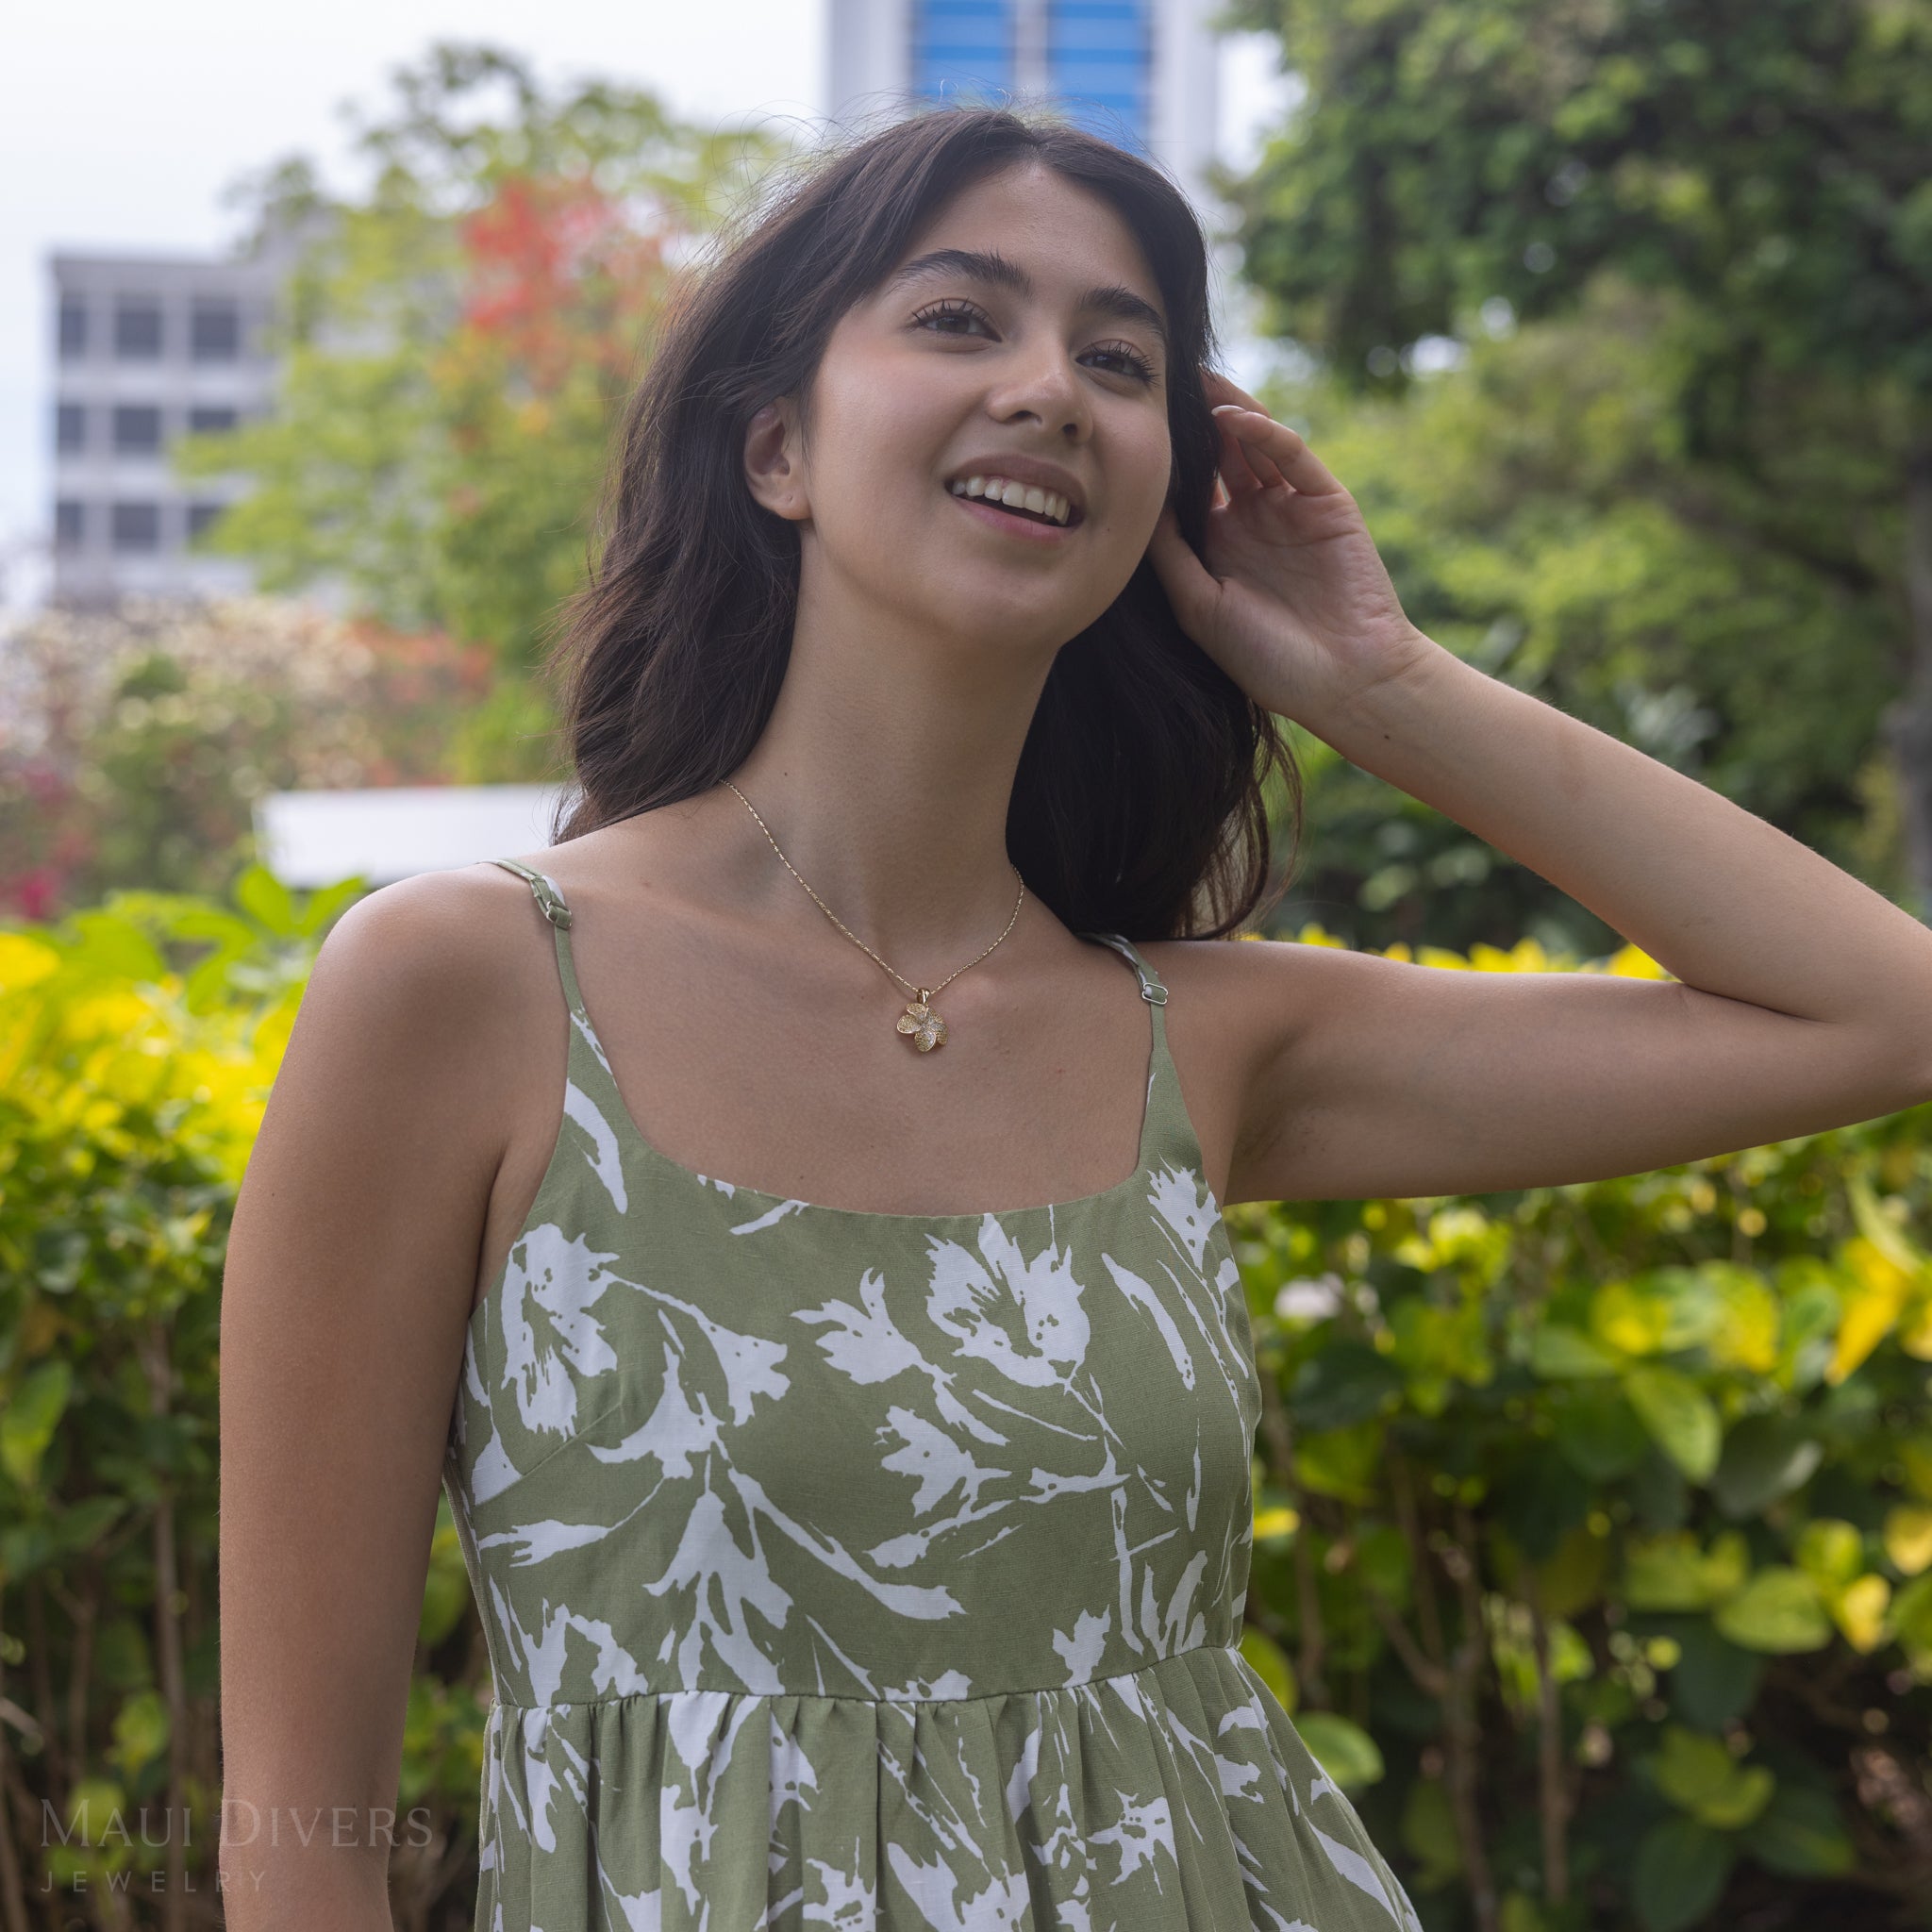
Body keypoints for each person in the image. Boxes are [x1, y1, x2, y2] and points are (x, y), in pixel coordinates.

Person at [215, 102, 1932, 1932]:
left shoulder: (1200, 1039)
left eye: (1121, 361)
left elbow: (1881, 1012)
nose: (1049, 389)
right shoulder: (469, 986)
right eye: (960, 318)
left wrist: (1382, 683)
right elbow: (297, 1824)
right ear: (778, 445)